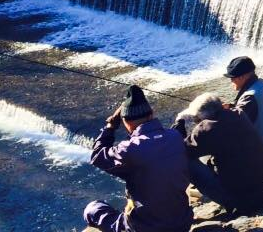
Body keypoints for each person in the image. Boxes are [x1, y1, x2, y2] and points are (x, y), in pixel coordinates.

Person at [83, 85, 193, 232]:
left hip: (145, 227)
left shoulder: (128, 149)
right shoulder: (175, 136)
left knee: (93, 208)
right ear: (151, 114)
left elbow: (97, 156)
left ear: (125, 121)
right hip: (182, 223)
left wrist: (110, 127)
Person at [173, 93, 263, 214]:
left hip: (239, 198)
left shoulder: (207, 128)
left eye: (196, 118)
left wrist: (179, 121)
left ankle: (229, 203)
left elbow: (177, 150)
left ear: (202, 116)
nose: (196, 120)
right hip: (261, 186)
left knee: (187, 162)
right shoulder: (239, 114)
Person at [223, 56, 263, 163]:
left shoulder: (249, 97)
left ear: (243, 77)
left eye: (233, 77)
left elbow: (234, 128)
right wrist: (231, 107)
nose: (231, 80)